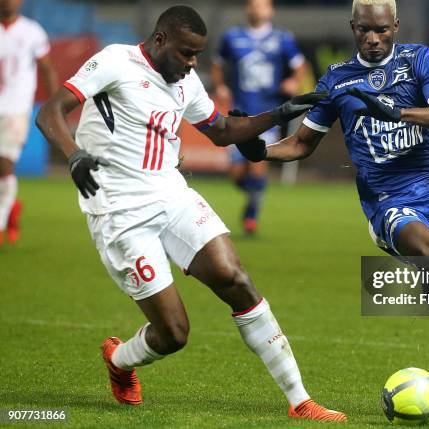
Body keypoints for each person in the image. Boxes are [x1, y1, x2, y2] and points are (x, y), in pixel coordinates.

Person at [35, 5, 345, 422]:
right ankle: (121, 359)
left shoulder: (186, 81)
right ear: (160, 40)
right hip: (120, 213)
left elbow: (220, 132)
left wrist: (279, 114)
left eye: (197, 54)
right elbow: (49, 112)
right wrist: (74, 156)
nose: (192, 62)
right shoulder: (115, 61)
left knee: (235, 278)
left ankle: (300, 400)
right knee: (174, 334)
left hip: (172, 195)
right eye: (186, 53)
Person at [237, 0, 429, 422]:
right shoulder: (338, 80)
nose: (373, 40)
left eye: (382, 31)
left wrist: (396, 110)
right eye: (364, 31)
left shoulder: (418, 60)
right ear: (352, 27)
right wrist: (259, 150)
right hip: (388, 197)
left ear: (395, 25)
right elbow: (302, 144)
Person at [210, 0, 306, 234]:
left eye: (263, 5)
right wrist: (220, 85)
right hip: (239, 112)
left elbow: (300, 65)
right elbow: (217, 63)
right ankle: (255, 194)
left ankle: (251, 213)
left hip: (268, 114)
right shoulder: (232, 37)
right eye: (254, 5)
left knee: (257, 163)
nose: (258, 9)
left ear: (270, 10)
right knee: (236, 174)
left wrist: (293, 81)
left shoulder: (282, 38)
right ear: (247, 9)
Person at [0, 0, 58, 245]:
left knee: (4, 165)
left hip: (15, 109)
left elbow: (47, 69)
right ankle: (10, 207)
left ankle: (0, 225)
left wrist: (56, 106)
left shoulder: (32, 32)